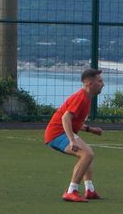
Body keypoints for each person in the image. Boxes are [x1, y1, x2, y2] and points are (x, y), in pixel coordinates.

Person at [44, 68, 106, 202]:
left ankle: (89, 190)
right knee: (87, 154)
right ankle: (71, 191)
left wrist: (90, 129)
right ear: (89, 83)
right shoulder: (81, 97)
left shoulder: (86, 97)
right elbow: (65, 118)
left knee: (88, 153)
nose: (103, 84)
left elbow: (74, 121)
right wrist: (72, 140)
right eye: (100, 81)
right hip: (56, 134)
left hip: (61, 132)